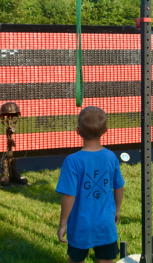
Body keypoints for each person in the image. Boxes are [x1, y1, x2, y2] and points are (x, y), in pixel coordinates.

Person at [56, 106, 125, 263]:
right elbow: (119, 187)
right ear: (106, 130)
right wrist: (117, 211)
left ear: (78, 131)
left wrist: (62, 224)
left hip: (80, 227)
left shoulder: (72, 161)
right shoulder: (111, 157)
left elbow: (69, 196)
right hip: (106, 226)